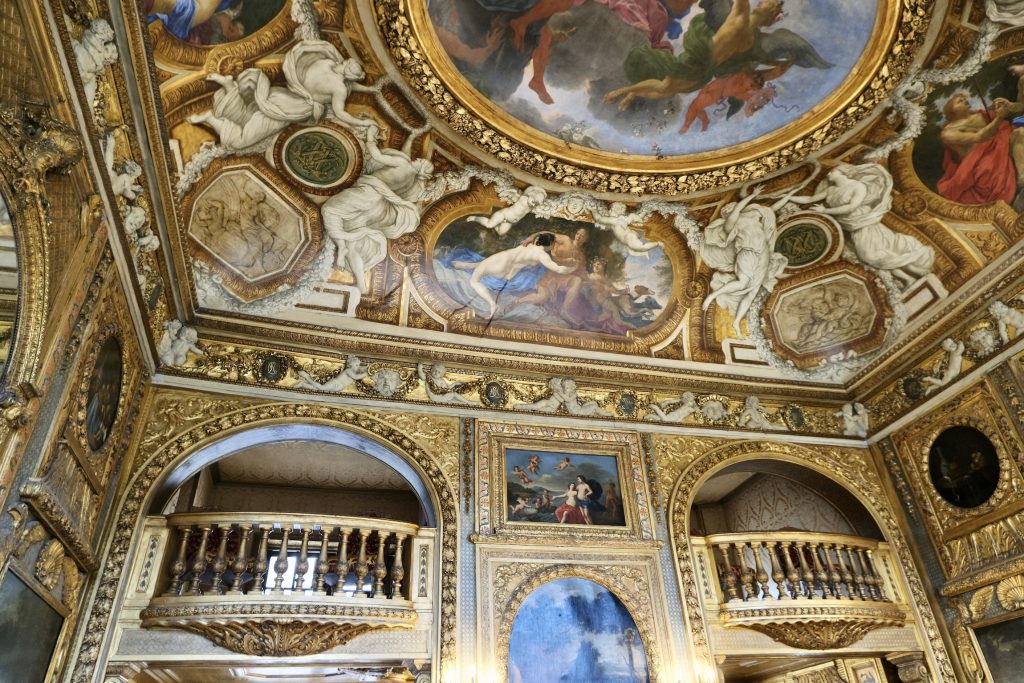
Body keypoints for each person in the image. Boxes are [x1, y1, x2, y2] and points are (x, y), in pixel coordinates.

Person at [450, 232, 577, 317]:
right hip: (507, 270)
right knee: (484, 265)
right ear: (550, 244)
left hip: (502, 260)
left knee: (474, 280)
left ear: (538, 240)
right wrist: (573, 268)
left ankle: (493, 305)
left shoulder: (531, 244)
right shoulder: (542, 255)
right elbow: (559, 269)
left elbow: (538, 235)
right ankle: (466, 266)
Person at [937, 93, 1017, 205]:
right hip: (975, 161)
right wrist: (999, 117)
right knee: (987, 170)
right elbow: (979, 137)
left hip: (998, 144)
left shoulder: (979, 115)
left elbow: (998, 126)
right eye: (960, 101)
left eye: (964, 99)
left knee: (1020, 134)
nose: (965, 100)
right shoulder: (948, 133)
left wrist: (998, 108)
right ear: (952, 111)